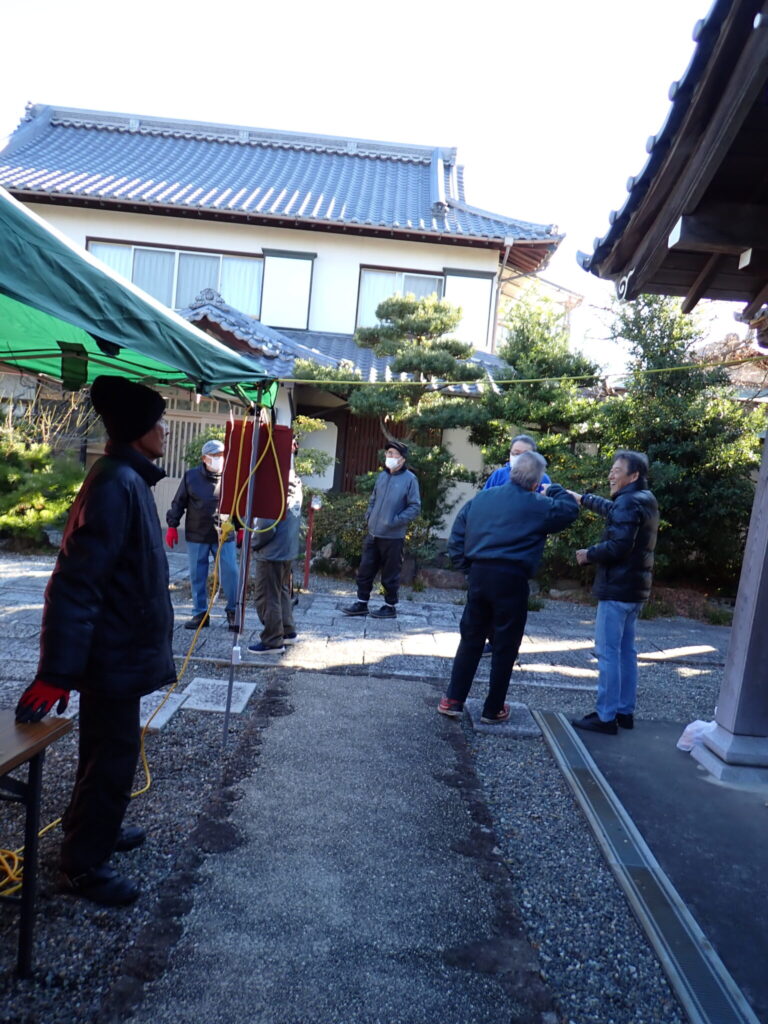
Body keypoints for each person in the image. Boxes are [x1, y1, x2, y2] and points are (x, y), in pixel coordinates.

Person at [14, 375, 175, 906]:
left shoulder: (128, 478)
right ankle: (82, 865)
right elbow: (76, 583)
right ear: (137, 430)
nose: (164, 428)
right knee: (112, 758)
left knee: (104, 752)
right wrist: (55, 672)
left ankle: (91, 827)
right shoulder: (114, 483)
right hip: (112, 656)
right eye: (157, 421)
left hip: (120, 651)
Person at [438, 451, 579, 723]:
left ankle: (453, 700)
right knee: (505, 644)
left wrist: (467, 568)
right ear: (537, 482)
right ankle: (493, 708)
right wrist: (555, 489)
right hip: (512, 577)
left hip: (479, 574)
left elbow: (457, 536)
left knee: (471, 637)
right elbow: (569, 510)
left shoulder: (482, 498)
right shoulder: (538, 504)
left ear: (512, 472)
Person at [569, 450, 659, 735]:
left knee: (607, 653)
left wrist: (589, 554)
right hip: (634, 590)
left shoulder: (628, 502)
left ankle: (605, 717)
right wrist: (583, 499)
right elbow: (615, 512)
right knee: (626, 652)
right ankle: (624, 712)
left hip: (617, 589)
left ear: (633, 475)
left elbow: (619, 546)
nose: (611, 474)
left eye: (617, 471)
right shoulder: (644, 499)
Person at [480, 434, 550, 656]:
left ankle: (507, 646)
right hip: (492, 546)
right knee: (487, 602)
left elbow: (548, 511)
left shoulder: (543, 479)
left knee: (510, 605)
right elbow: (482, 503)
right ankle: (492, 640)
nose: (518, 458)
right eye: (514, 453)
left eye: (524, 454)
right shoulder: (499, 475)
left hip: (520, 551)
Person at [342, 440, 421, 620]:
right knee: (365, 570)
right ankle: (361, 603)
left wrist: (394, 521)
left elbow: (414, 507)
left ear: (402, 459)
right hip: (373, 533)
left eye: (393, 454)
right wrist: (369, 516)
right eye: (387, 453)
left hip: (393, 536)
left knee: (390, 574)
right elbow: (373, 499)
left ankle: (390, 606)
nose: (389, 457)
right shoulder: (382, 476)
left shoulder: (410, 479)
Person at [165, 438, 238, 631]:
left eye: (221, 455)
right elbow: (179, 502)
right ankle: (200, 614)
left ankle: (233, 611)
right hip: (197, 534)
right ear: (204, 458)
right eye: (215, 455)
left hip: (224, 534)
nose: (219, 459)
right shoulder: (191, 477)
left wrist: (240, 528)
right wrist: (172, 525)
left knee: (231, 572)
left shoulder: (231, 477)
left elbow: (238, 504)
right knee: (197, 575)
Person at [247, 467, 303, 655]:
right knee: (281, 592)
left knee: (267, 596)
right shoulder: (295, 482)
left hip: (271, 551)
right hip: (287, 548)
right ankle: (287, 631)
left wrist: (253, 543)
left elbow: (266, 526)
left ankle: (272, 640)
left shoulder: (274, 485)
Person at [483, 434, 551, 491]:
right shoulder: (499, 475)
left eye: (525, 454)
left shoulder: (542, 478)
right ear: (510, 453)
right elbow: (485, 497)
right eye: (516, 453)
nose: (520, 458)